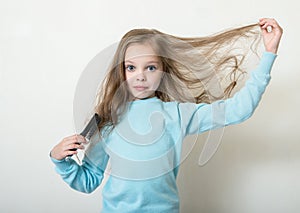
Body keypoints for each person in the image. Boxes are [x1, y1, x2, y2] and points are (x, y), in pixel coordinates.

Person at [50, 18, 283, 213]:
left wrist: (269, 54)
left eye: (150, 67)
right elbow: (87, 181)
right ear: (121, 71)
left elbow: (238, 110)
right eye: (131, 67)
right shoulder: (107, 121)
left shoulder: (178, 114)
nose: (140, 76)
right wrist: (59, 159)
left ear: (163, 71)